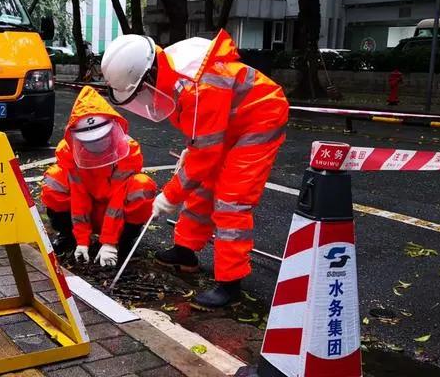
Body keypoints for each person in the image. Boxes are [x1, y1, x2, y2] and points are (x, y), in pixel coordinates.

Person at [100, 30, 289, 309]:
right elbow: (202, 139)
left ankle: (230, 284)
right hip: (227, 121)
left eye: (139, 91)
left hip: (259, 118)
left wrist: (170, 195)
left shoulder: (200, 87)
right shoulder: (172, 74)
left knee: (231, 201)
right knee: (201, 187)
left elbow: (205, 155)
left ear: (147, 77)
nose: (142, 98)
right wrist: (196, 145)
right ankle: (185, 251)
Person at [41, 86, 157, 267]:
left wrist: (110, 242)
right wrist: (81, 240)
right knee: (54, 179)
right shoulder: (69, 153)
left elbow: (118, 200)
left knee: (142, 186)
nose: (96, 145)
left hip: (114, 216)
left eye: (100, 138)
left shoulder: (127, 152)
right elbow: (79, 197)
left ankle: (123, 241)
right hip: (81, 213)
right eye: (90, 141)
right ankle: (67, 235)